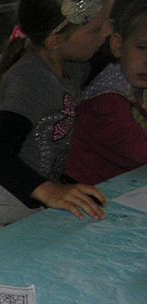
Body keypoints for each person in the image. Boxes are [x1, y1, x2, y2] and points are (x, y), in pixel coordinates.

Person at [0, 0, 113, 254]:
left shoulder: (72, 65)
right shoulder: (31, 80)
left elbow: (110, 52)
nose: (107, 33)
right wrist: (50, 191)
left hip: (32, 196)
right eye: (96, 29)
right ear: (55, 40)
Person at [67, 0, 147, 184]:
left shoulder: (134, 83)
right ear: (118, 45)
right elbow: (140, 154)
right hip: (84, 193)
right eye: (142, 48)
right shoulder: (107, 103)